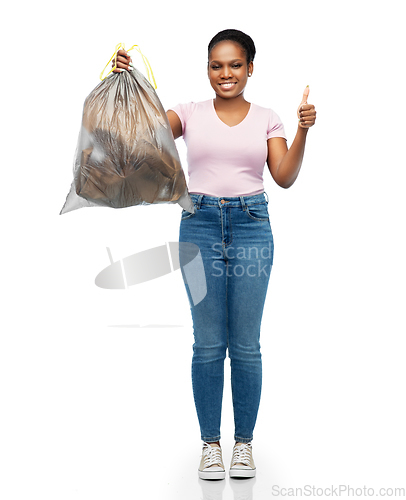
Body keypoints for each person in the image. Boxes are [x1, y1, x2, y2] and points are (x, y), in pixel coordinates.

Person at [113, 29, 316, 480]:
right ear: (208, 68)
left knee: (246, 345)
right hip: (200, 225)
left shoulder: (267, 118)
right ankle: (210, 445)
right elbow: (145, 131)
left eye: (235, 65)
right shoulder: (188, 113)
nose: (225, 73)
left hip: (252, 227)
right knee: (208, 344)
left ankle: (243, 446)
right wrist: (129, 83)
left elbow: (283, 175)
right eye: (216, 65)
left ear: (250, 68)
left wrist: (302, 130)